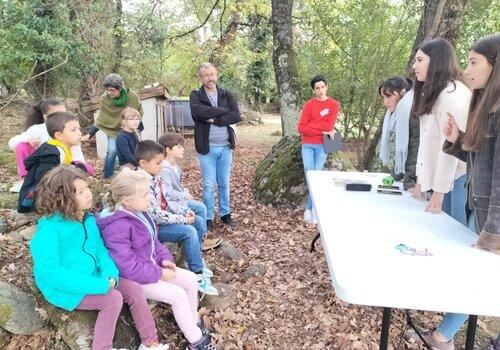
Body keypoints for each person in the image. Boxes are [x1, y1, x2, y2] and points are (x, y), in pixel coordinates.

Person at [419, 33, 500, 350]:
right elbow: (481, 160)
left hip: (493, 223)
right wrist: (457, 139)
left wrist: (492, 235)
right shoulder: (487, 106)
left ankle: (443, 337)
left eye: (474, 62)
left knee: (479, 281)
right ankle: (445, 335)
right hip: (483, 214)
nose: (467, 70)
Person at [30, 165, 168, 350]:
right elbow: (51, 273)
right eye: (80, 191)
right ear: (62, 199)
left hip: (93, 275)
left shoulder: (88, 219)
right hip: (64, 288)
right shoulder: (49, 230)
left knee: (134, 290)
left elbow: (101, 250)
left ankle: (150, 343)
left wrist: (110, 272)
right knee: (112, 299)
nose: (88, 194)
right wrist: (99, 285)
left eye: (87, 188)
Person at [96, 168, 219, 350]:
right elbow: (127, 267)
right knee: (177, 295)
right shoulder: (117, 226)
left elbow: (154, 241)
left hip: (152, 268)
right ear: (127, 200)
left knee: (192, 280)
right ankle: (197, 341)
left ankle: (193, 326)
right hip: (136, 279)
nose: (149, 199)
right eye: (145, 195)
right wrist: (160, 273)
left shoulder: (140, 212)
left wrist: (164, 259)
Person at [135, 140, 218, 296]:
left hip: (162, 220)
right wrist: (181, 219)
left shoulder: (156, 177)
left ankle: (195, 257)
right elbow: (154, 214)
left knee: (198, 221)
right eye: (158, 163)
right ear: (143, 163)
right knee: (189, 231)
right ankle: (197, 273)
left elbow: (167, 201)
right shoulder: (141, 183)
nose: (162, 165)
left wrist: (184, 210)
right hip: (151, 228)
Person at [410, 38, 471, 225]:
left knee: (454, 230)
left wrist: (439, 191)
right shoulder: (434, 92)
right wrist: (421, 181)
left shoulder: (452, 95)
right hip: (444, 180)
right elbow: (428, 142)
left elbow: (449, 149)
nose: (414, 66)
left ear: (436, 61)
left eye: (420, 60)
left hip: (458, 177)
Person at [189, 62, 242, 229]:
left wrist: (215, 119)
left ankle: (225, 214)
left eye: (212, 74)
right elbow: (198, 113)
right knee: (208, 185)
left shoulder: (226, 94)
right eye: (205, 75)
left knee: (224, 183)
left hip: (226, 147)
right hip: (207, 148)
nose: (209, 78)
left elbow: (235, 116)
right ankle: (208, 217)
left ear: (216, 74)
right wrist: (222, 110)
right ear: (201, 77)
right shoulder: (196, 95)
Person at [158, 132, 222, 251]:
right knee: (200, 209)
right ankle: (199, 243)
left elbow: (177, 187)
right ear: (168, 149)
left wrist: (184, 192)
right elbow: (167, 193)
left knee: (201, 207)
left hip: (179, 200)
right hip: (172, 204)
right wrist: (184, 195)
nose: (183, 149)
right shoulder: (164, 169)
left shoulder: (175, 166)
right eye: (179, 147)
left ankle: (202, 238)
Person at [8, 99, 86, 192]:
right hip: (43, 166)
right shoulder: (37, 129)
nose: (63, 117)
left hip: (64, 166)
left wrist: (83, 172)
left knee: (85, 168)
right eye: (58, 114)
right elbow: (12, 143)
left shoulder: (69, 130)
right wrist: (28, 139)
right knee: (22, 146)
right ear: (46, 117)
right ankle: (24, 180)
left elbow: (78, 156)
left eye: (64, 113)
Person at [17, 112, 87, 213]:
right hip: (37, 198)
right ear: (59, 135)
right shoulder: (53, 153)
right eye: (73, 130)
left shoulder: (61, 149)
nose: (80, 133)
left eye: (79, 129)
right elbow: (43, 178)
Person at [82, 73, 144, 179]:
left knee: (133, 150)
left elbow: (137, 112)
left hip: (129, 129)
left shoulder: (132, 96)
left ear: (119, 88)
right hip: (112, 130)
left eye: (112, 90)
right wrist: (89, 134)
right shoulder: (105, 99)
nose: (109, 93)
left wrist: (136, 129)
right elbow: (101, 118)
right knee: (112, 151)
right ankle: (107, 176)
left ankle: (136, 172)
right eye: (107, 90)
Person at [297, 75, 340, 223]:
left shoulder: (334, 105)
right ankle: (311, 209)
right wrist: (321, 129)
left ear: (326, 87)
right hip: (307, 144)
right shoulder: (309, 105)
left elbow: (329, 126)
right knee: (310, 175)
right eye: (317, 88)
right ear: (313, 90)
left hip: (322, 145)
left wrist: (314, 127)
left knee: (316, 176)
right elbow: (301, 128)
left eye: (322, 87)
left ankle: (311, 209)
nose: (320, 90)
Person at [377, 77, 417, 190]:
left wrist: (409, 181)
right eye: (384, 97)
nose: (385, 103)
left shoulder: (412, 110)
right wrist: (397, 173)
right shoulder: (397, 113)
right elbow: (402, 147)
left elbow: (415, 148)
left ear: (402, 92)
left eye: (389, 96)